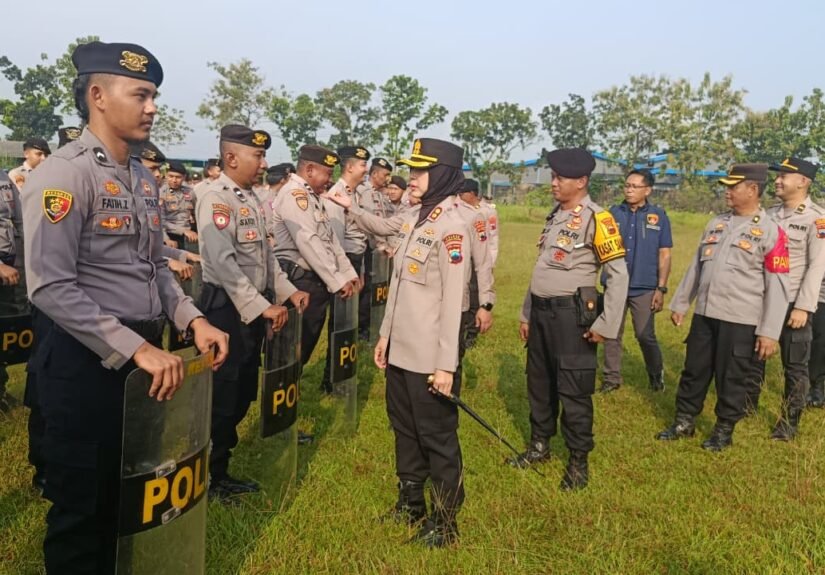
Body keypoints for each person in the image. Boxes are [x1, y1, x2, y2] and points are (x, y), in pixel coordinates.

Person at [21, 41, 228, 573]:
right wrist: (137, 349)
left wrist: (193, 319)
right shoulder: (64, 175)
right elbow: (49, 286)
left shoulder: (142, 177)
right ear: (98, 96)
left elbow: (155, 266)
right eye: (140, 93)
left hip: (142, 363)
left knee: (130, 494)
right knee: (82, 515)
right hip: (83, 363)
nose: (153, 106)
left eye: (154, 94)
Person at [197, 125, 308, 499]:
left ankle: (220, 467)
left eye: (263, 156)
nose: (264, 163)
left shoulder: (252, 198)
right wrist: (262, 307)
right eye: (257, 156)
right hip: (226, 310)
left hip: (252, 308)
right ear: (231, 158)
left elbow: (266, 258)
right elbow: (224, 264)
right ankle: (208, 475)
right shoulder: (215, 198)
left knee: (243, 389)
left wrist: (288, 292)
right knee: (223, 394)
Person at [370, 137, 469, 547]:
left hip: (430, 357)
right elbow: (399, 287)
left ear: (441, 174)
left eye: (419, 170)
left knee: (437, 438)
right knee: (405, 429)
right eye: (410, 169)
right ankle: (411, 502)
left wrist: (446, 365)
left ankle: (445, 522)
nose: (410, 178)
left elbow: (452, 304)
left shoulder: (452, 227)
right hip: (401, 351)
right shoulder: (416, 218)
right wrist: (385, 336)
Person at [510, 148, 628, 491]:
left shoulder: (598, 219)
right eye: (554, 176)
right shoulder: (555, 216)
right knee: (539, 383)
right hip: (543, 315)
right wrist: (527, 312)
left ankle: (578, 461)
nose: (553, 183)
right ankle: (539, 445)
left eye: (560, 177)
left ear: (581, 181)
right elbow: (542, 268)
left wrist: (607, 324)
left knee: (574, 390)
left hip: (571, 317)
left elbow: (618, 276)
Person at [657, 164, 788, 451]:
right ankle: (685, 420)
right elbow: (696, 267)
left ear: (752, 189)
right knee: (694, 370)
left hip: (740, 319)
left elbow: (778, 287)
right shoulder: (716, 223)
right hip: (705, 314)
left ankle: (723, 429)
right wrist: (681, 302)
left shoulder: (771, 232)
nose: (727, 192)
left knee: (732, 376)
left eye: (733, 186)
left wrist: (769, 332)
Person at [271, 146, 358, 385]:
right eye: (327, 174)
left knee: (304, 348)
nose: (330, 180)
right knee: (290, 351)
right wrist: (336, 281)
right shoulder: (294, 195)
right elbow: (308, 242)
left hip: (313, 281)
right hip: (297, 281)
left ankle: (289, 403)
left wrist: (348, 273)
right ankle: (279, 415)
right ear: (309, 169)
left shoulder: (311, 197)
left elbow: (330, 240)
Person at [760, 158, 825, 439]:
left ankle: (789, 421)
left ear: (803, 181)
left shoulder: (817, 219)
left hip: (792, 302)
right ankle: (746, 405)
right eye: (778, 175)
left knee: (795, 367)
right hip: (761, 299)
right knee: (751, 358)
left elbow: (817, 266)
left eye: (785, 175)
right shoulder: (768, 214)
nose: (778, 180)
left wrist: (803, 306)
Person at [600, 169, 672, 393]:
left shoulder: (658, 216)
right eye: (627, 185)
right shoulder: (612, 213)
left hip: (644, 286)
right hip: (615, 284)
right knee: (612, 333)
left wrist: (661, 288)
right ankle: (611, 379)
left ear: (647, 190)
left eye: (634, 186)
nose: (629, 190)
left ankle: (655, 372)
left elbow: (665, 254)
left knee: (644, 334)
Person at [319, 146, 369, 391]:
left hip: (354, 261)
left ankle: (341, 373)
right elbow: (335, 241)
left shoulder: (355, 194)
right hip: (344, 261)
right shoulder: (336, 195)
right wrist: (343, 276)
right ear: (349, 167)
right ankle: (331, 378)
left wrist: (357, 272)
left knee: (349, 322)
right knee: (339, 324)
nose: (366, 169)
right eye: (362, 164)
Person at [356, 157, 394, 340]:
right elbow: (371, 224)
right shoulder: (365, 192)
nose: (387, 179)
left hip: (378, 249)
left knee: (376, 287)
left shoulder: (379, 194)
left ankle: (370, 322)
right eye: (385, 175)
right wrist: (382, 245)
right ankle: (361, 328)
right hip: (367, 248)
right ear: (375, 173)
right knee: (367, 289)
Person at [456, 179, 495, 350]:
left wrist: (491, 260)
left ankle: (471, 333)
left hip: (475, 259)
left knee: (472, 297)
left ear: (472, 194)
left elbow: (492, 240)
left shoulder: (482, 212)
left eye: (463, 193)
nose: (460, 196)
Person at [160, 160, 197, 247]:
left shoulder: (189, 192)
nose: (174, 180)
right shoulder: (161, 193)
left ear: (184, 177)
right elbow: (160, 221)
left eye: (178, 177)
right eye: (171, 176)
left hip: (189, 235)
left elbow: (196, 213)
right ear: (166, 176)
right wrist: (166, 239)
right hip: (169, 235)